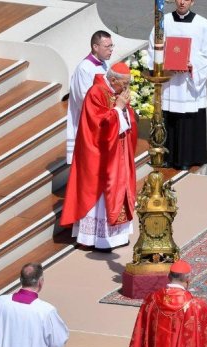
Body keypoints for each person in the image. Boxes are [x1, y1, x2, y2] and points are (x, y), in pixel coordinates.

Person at [60, 61, 138, 250]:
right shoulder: (96, 92)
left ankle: (117, 236)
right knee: (103, 195)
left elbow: (127, 120)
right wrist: (118, 108)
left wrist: (124, 110)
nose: (126, 88)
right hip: (99, 156)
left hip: (117, 154)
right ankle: (95, 238)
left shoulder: (115, 92)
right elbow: (99, 126)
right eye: (123, 84)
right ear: (112, 79)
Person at [148, 0, 207, 172]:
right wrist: (165, 64)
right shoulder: (164, 22)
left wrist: (192, 65)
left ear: (193, 2)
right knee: (169, 118)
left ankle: (187, 158)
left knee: (187, 120)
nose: (182, 2)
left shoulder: (203, 24)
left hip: (189, 83)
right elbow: (152, 48)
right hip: (170, 80)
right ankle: (167, 157)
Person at [67, 30, 114, 164]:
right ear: (95, 47)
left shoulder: (105, 64)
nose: (111, 50)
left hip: (104, 120)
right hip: (90, 123)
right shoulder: (84, 68)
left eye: (112, 46)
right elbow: (84, 99)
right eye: (107, 46)